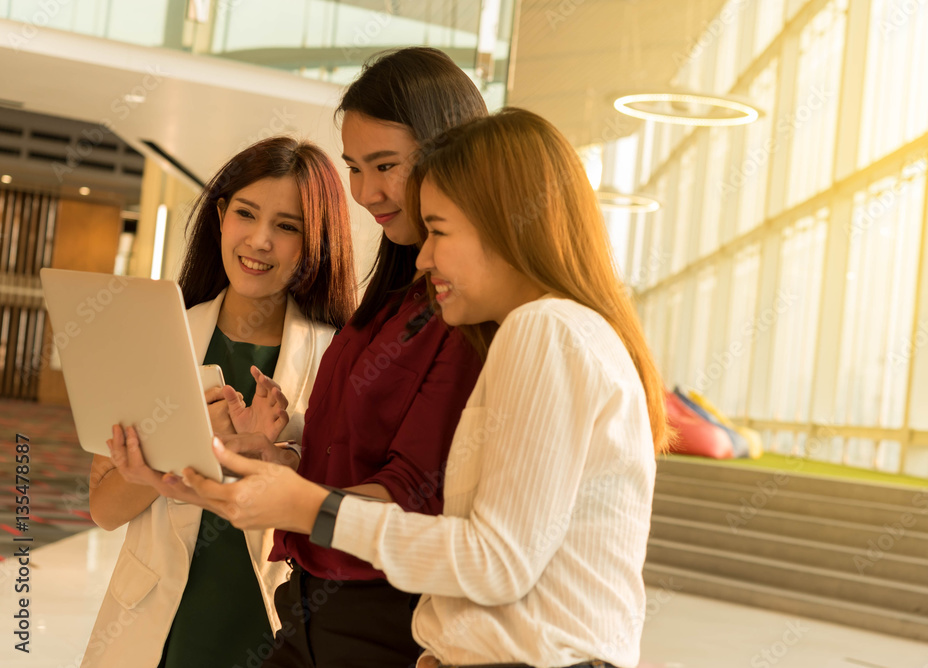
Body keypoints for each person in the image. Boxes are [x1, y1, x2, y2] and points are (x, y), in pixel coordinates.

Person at [131, 107, 672, 668]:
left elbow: (496, 561)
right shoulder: (565, 330)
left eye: (438, 230)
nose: (425, 255)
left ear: (507, 223)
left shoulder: (544, 329)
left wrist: (309, 505)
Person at [106, 47, 490, 668]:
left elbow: (418, 492)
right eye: (354, 168)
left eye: (385, 165)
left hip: (363, 607)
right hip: (302, 606)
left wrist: (270, 481)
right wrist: (276, 452)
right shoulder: (386, 307)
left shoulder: (455, 311)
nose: (366, 191)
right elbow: (348, 457)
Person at [83, 136, 355, 668]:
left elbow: (347, 517)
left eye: (287, 226)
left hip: (274, 625)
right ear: (221, 217)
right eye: (246, 215)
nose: (259, 240)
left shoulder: (338, 358)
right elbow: (103, 509)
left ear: (315, 242)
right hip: (157, 632)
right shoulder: (156, 337)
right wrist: (183, 450)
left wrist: (272, 457)